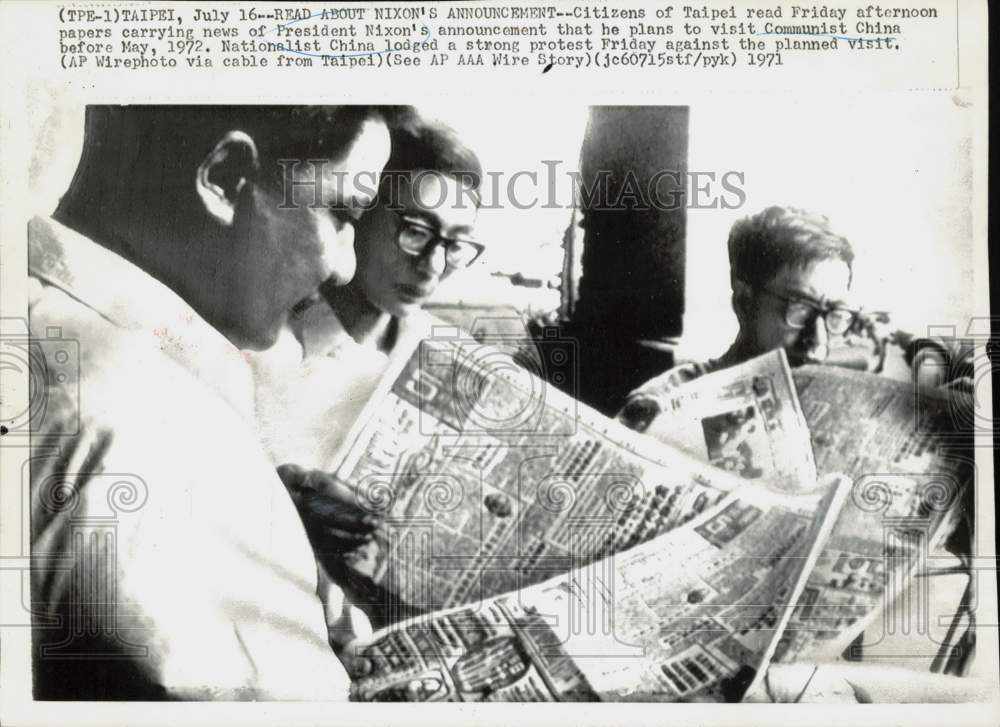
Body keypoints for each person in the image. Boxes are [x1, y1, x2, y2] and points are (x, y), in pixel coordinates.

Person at [28, 105, 394, 699]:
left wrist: (279, 541)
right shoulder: (170, 439)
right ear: (224, 178)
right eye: (342, 211)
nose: (346, 267)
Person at [248, 114, 484, 472]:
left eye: (456, 244)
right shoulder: (263, 346)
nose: (434, 265)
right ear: (360, 211)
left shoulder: (450, 360)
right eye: (417, 231)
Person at [619, 205, 863, 431]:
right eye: (800, 307)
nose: (818, 341)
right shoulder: (659, 405)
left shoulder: (844, 412)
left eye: (834, 313)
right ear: (745, 303)